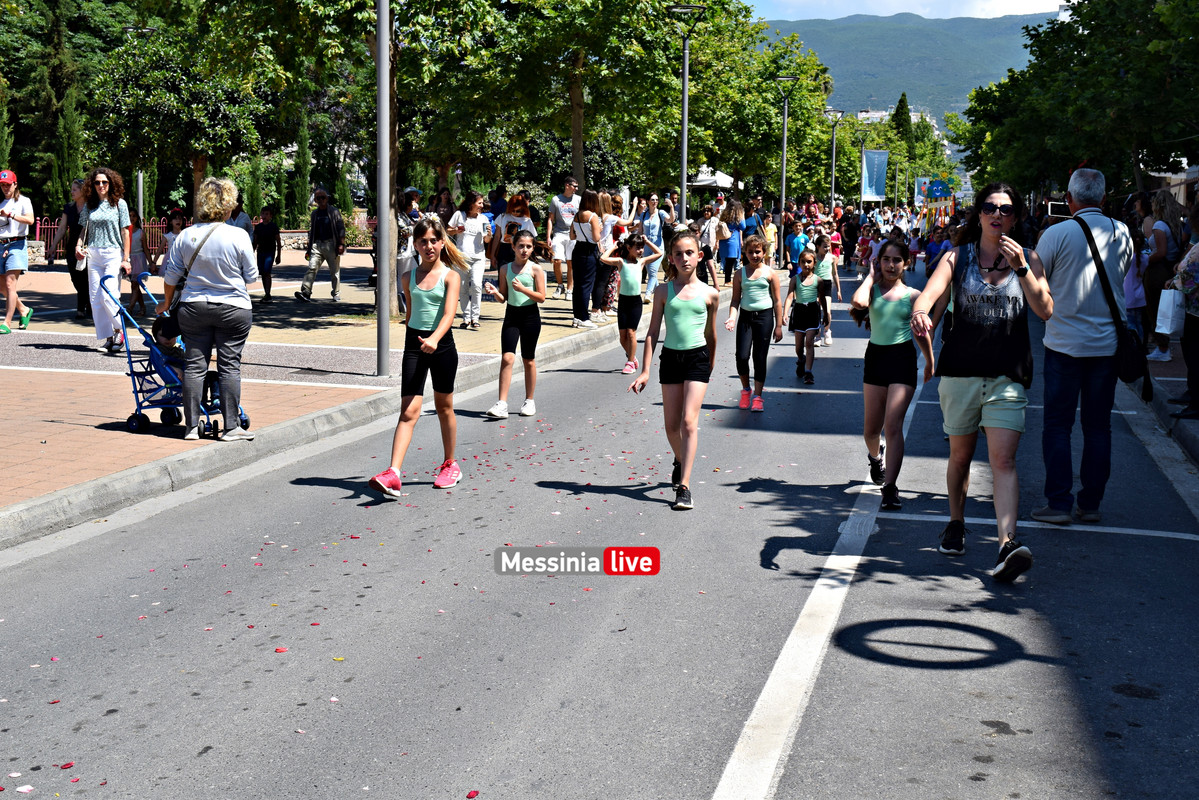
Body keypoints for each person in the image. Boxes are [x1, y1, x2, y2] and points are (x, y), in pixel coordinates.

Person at [910, 183, 1053, 583]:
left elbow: (1045, 310)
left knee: (1003, 460)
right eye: (989, 207)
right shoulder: (958, 257)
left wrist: (1023, 269)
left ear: (1016, 217)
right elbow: (929, 293)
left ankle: (1007, 544)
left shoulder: (1029, 259)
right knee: (960, 457)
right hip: (960, 374)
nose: (997, 214)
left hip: (1007, 376)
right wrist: (921, 312)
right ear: (978, 214)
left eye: (1006, 210)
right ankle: (956, 521)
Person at [1030, 168, 1133, 525]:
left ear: (1069, 199)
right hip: (1106, 347)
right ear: (1103, 199)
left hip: (1063, 344)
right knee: (1098, 427)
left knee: (1057, 425)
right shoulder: (1122, 232)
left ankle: (1058, 503)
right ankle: (1090, 503)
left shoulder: (1056, 233)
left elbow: (1037, 284)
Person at [157, 177, 259, 442]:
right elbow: (251, 277)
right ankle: (231, 427)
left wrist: (167, 304)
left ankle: (191, 427)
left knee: (194, 365)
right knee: (229, 366)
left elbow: (171, 277)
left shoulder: (186, 235)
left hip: (193, 307)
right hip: (233, 307)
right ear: (227, 204)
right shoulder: (238, 234)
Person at [368, 218, 464, 497]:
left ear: (442, 242)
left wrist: (434, 339)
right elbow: (410, 314)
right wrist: (417, 341)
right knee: (408, 410)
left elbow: (448, 314)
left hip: (442, 345)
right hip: (414, 346)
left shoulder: (450, 276)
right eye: (423, 241)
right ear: (415, 244)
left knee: (444, 407)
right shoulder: (408, 277)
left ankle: (450, 464)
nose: (429, 246)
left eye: (434, 240)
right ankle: (394, 473)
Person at [629, 231, 719, 511]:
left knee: (688, 423)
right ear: (671, 258)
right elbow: (653, 332)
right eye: (678, 253)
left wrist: (709, 365)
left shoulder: (710, 294)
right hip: (670, 358)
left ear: (699, 256)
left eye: (689, 252)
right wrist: (644, 370)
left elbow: (712, 335)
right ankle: (680, 459)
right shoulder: (662, 291)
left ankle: (685, 486)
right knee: (671, 426)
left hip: (697, 359)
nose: (684, 258)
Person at [850, 239, 934, 511]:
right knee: (871, 430)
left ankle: (890, 487)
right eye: (886, 259)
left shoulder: (913, 296)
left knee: (893, 425)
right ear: (879, 261)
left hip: (902, 359)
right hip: (875, 358)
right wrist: (871, 276)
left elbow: (921, 333)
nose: (891, 264)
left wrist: (930, 362)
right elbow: (858, 302)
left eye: (897, 260)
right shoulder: (872, 291)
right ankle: (876, 457)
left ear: (906, 263)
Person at [483, 229, 546, 419]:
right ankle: (502, 403)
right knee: (507, 358)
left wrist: (524, 289)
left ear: (533, 248)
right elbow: (504, 297)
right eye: (521, 246)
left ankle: (529, 400)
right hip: (511, 316)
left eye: (528, 246)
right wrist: (495, 292)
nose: (524, 250)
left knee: (528, 359)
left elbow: (541, 297)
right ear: (513, 247)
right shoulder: (505, 269)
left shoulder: (536, 269)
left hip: (530, 317)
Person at [725, 234, 784, 412]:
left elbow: (777, 301)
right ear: (745, 253)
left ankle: (758, 397)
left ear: (764, 252)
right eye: (750, 252)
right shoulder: (739, 274)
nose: (754, 255)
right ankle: (746, 390)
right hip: (745, 317)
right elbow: (735, 300)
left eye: (757, 251)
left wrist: (779, 325)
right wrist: (732, 317)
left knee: (759, 357)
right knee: (742, 356)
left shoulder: (770, 273)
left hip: (764, 318)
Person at [77, 167, 132, 353]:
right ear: (92, 185)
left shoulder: (119, 204)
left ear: (111, 183)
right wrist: (78, 246)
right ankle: (109, 337)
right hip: (93, 253)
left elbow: (125, 232)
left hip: (112, 253)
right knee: (95, 299)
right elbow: (83, 229)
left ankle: (120, 330)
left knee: (108, 295)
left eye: (105, 182)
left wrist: (126, 259)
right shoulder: (89, 205)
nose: (101, 185)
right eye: (97, 182)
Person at [601, 233, 662, 374]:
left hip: (635, 302)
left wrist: (647, 242)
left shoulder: (641, 262)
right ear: (628, 248)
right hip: (623, 301)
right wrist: (613, 247)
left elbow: (659, 253)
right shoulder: (621, 262)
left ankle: (629, 361)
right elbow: (603, 258)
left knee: (631, 332)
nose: (641, 250)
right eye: (638, 248)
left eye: (642, 248)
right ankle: (632, 357)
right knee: (622, 336)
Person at [1145, 190, 1186, 361]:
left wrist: (1143, 259)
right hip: (1170, 268)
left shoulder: (1159, 226)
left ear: (1158, 205)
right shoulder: (1177, 225)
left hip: (1158, 271)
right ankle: (1163, 346)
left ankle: (1162, 347)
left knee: (1154, 308)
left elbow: (1161, 252)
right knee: (1165, 309)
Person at [1166, 209, 1199, 419]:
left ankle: (1196, 400)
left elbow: (1189, 276)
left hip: (1195, 310)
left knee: (1195, 354)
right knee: (1191, 351)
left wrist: (1176, 277)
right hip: (1192, 309)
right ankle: (1192, 393)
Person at [447, 191, 492, 330]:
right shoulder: (459, 215)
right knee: (463, 287)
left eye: (482, 202)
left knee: (477, 285)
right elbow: (448, 230)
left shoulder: (483, 219)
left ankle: (475, 317)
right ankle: (466, 318)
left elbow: (486, 240)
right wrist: (456, 230)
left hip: (478, 257)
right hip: (462, 256)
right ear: (471, 203)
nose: (481, 205)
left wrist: (489, 234)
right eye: (479, 202)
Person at [295, 186, 347, 302]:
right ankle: (306, 292)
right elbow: (312, 232)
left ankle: (336, 293)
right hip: (317, 245)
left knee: (334, 271)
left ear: (327, 198)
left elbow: (341, 228)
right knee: (311, 268)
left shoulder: (334, 212)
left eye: (323, 197)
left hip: (331, 245)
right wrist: (309, 249)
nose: (321, 200)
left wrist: (341, 244)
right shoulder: (314, 214)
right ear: (315, 200)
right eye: (318, 198)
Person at [48, 178, 90, 320]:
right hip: (72, 247)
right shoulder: (68, 208)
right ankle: (87, 302)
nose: (71, 192)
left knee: (86, 277)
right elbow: (61, 228)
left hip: (88, 247)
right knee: (75, 278)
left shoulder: (91, 207)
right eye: (71, 189)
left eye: (74, 189)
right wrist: (53, 245)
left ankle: (82, 308)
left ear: (83, 190)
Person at [0, 170, 35, 334]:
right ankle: (24, 310)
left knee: (10, 283)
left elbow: (30, 220)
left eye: (8, 184)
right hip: (1, 245)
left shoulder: (23, 201)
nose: (5, 188)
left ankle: (6, 322)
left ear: (15, 184)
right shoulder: (0, 202)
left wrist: (11, 214)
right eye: (2, 185)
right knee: (2, 287)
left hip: (17, 244)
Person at [784, 250, 821, 384]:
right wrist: (785, 313)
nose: (806, 264)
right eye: (803, 262)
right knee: (799, 346)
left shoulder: (818, 280)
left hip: (812, 311)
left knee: (809, 342)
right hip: (799, 312)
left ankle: (809, 372)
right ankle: (801, 359)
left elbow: (821, 299)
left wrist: (827, 316)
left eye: (809, 262)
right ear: (799, 263)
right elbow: (789, 297)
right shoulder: (795, 279)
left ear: (814, 263)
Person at [569, 189, 603, 328]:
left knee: (578, 285)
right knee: (586, 285)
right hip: (589, 250)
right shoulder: (592, 216)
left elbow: (572, 236)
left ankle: (577, 316)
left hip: (578, 249)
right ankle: (583, 317)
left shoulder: (577, 215)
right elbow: (596, 238)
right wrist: (599, 229)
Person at [634, 193, 674, 302]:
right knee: (651, 272)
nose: (655, 202)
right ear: (648, 201)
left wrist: (671, 206)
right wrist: (638, 244)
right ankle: (660, 293)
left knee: (652, 272)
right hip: (646, 246)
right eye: (652, 199)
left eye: (656, 199)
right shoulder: (643, 214)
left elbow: (670, 220)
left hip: (658, 247)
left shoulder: (660, 213)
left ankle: (647, 295)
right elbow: (640, 231)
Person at [490, 193, 536, 278]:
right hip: (504, 248)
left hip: (520, 249)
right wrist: (492, 255)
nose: (515, 213)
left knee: (518, 277)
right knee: (503, 277)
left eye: (518, 211)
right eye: (513, 210)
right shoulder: (503, 217)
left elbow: (532, 239)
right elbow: (497, 237)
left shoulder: (527, 220)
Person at [812, 234, 841, 346]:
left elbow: (835, 274)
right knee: (816, 311)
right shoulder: (813, 258)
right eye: (824, 246)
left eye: (828, 246)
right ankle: (817, 335)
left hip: (827, 284)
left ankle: (827, 331)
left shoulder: (832, 258)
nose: (827, 249)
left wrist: (838, 290)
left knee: (827, 311)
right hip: (815, 285)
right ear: (818, 246)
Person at [253, 206, 282, 303]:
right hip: (260, 252)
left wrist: (278, 255)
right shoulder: (258, 227)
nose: (264, 216)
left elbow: (278, 241)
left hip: (270, 252)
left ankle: (268, 293)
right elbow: (255, 241)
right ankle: (266, 293)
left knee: (267, 272)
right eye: (263, 214)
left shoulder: (273, 227)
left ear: (270, 216)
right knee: (262, 273)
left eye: (267, 214)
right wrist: (252, 251)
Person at [717, 199, 745, 285]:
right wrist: (742, 217)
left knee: (727, 261)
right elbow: (743, 227)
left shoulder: (724, 216)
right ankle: (727, 280)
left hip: (724, 240)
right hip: (732, 241)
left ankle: (727, 279)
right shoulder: (737, 218)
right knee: (730, 262)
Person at [127, 210, 150, 316]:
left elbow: (146, 249)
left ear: (137, 218)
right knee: (135, 285)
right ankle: (142, 307)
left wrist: (152, 263)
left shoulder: (140, 233)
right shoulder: (125, 231)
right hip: (130, 260)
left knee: (135, 284)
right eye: (129, 216)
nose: (132, 218)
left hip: (139, 260)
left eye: (134, 216)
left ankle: (130, 309)